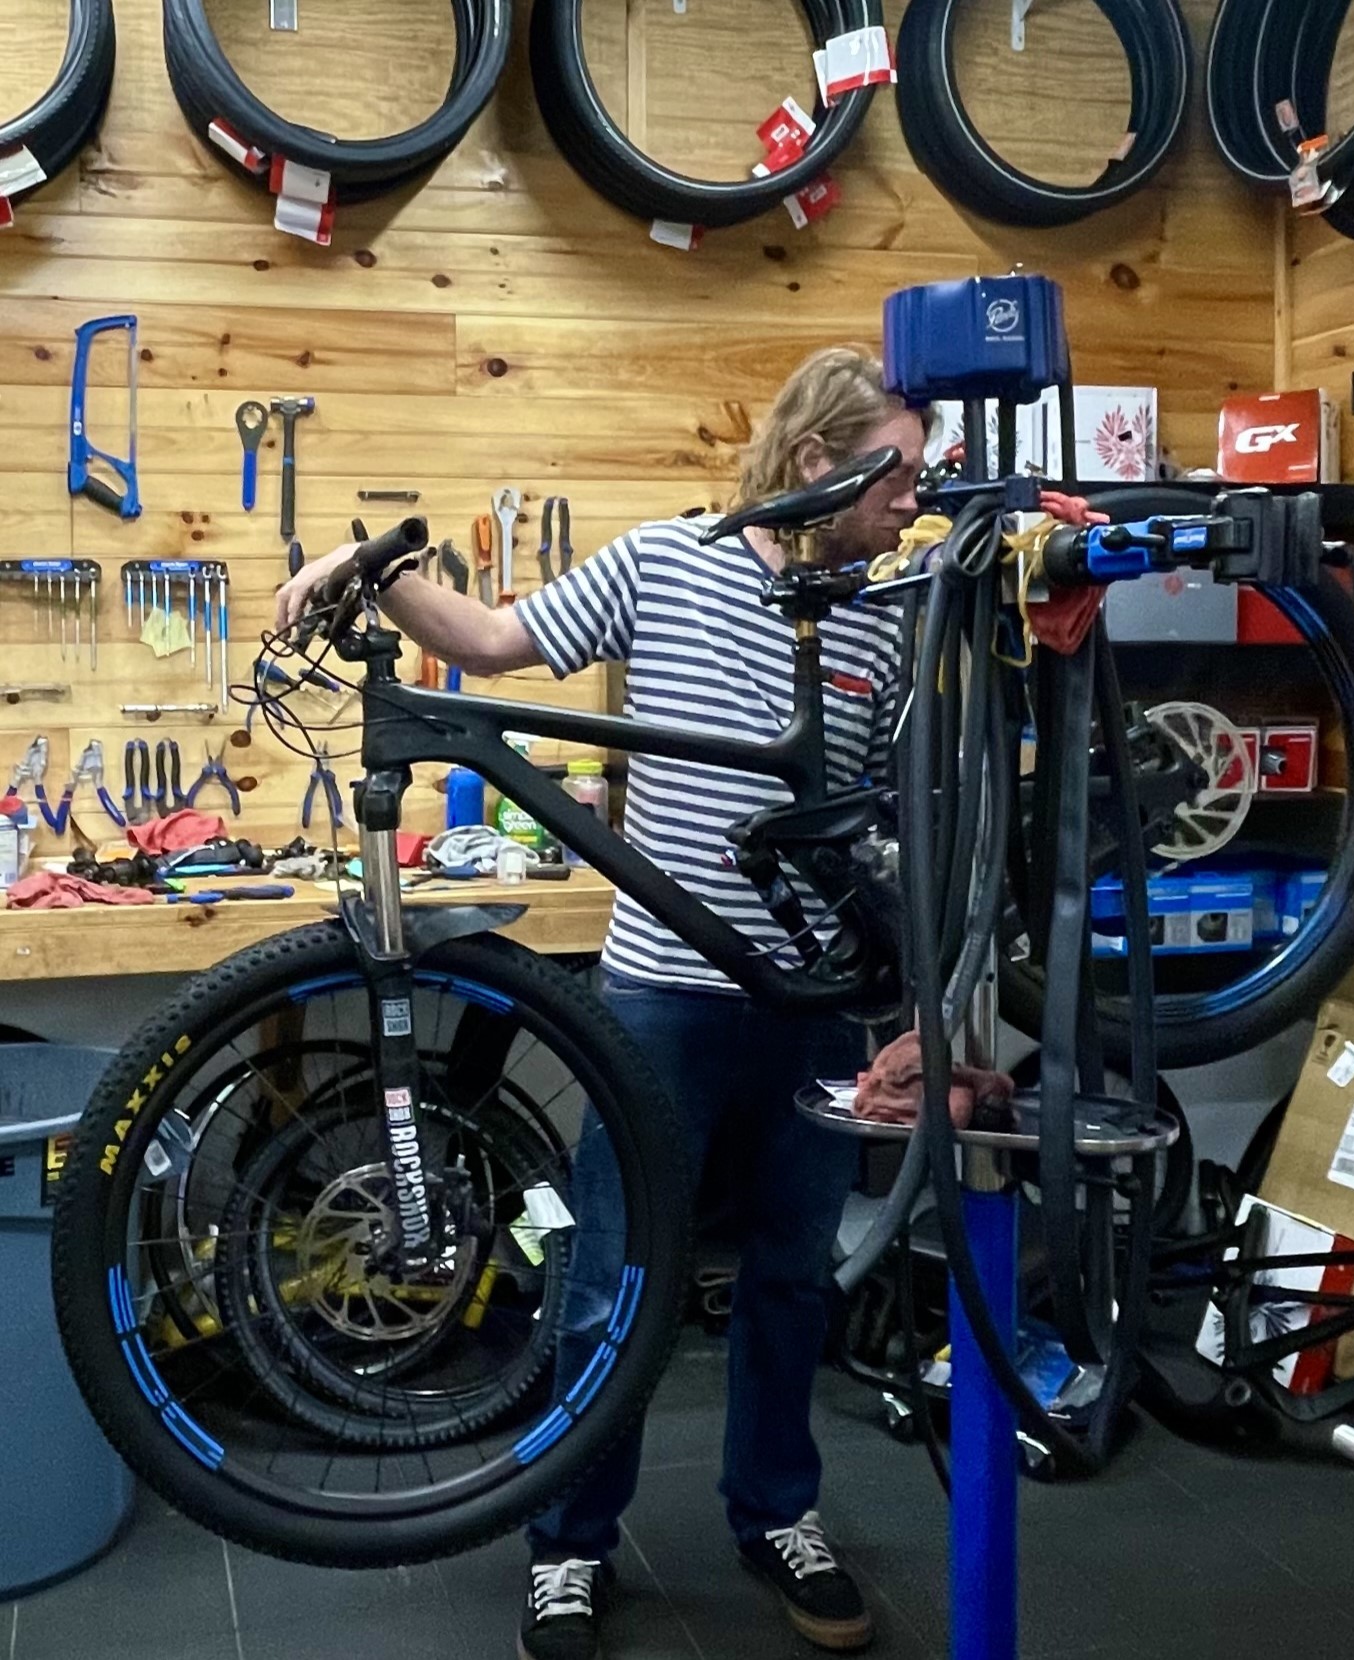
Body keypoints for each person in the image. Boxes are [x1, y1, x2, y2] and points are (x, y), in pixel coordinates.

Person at [275, 347, 929, 1660]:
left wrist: (916, 1010)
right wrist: (370, 569)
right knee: (608, 1280)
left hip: (812, 1005)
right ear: (817, 460)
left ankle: (778, 1514)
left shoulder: (885, 613)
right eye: (896, 474)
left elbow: (897, 831)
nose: (913, 502)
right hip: (662, 1001)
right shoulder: (667, 562)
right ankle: (571, 1542)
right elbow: (492, 641)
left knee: (792, 1279)